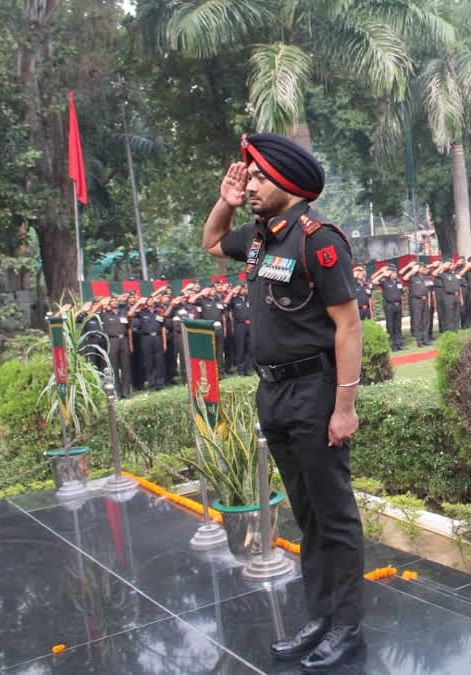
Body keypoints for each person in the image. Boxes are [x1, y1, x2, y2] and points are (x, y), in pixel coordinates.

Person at [202, 132, 365, 669]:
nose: (248, 185)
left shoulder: (318, 241)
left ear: (288, 185)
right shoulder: (259, 238)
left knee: (335, 515)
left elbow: (348, 326)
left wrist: (344, 407)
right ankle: (319, 617)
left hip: (316, 392)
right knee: (308, 515)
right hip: (273, 392)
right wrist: (223, 204)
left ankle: (346, 626)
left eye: (257, 178)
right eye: (248, 177)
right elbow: (209, 242)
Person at [128, 296, 165, 392]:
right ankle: (152, 384)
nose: (151, 301)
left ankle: (160, 383)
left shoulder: (158, 312)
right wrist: (138, 303)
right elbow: (130, 314)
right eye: (149, 300)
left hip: (157, 337)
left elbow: (163, 327)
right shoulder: (141, 313)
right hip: (146, 338)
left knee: (159, 361)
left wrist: (164, 343)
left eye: (152, 300)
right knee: (149, 361)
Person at [99, 297, 132, 398]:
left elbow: (128, 328)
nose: (115, 302)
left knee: (126, 367)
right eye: (113, 301)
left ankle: (126, 392)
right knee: (114, 367)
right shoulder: (105, 315)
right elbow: (93, 312)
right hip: (112, 341)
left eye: (116, 300)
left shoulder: (123, 313)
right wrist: (101, 303)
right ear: (109, 303)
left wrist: (130, 344)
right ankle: (117, 392)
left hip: (124, 340)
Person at [373, 265, 405, 350]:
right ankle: (392, 345)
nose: (395, 274)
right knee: (390, 325)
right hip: (389, 305)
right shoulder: (384, 281)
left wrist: (402, 306)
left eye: (395, 272)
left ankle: (399, 344)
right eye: (393, 273)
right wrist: (383, 274)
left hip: (398, 305)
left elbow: (401, 294)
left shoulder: (398, 281)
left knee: (398, 325)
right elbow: (374, 281)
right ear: (389, 273)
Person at [401, 261, 431, 347]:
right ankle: (419, 340)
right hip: (416, 300)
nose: (422, 269)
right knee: (418, 321)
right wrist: (413, 270)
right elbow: (405, 278)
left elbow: (428, 290)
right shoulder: (412, 277)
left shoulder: (425, 277)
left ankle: (426, 339)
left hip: (425, 300)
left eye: (422, 267)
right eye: (421, 267)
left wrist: (428, 302)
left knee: (426, 320)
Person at [229, 285, 253, 375]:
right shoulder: (234, 300)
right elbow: (225, 302)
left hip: (250, 325)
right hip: (240, 325)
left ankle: (249, 369)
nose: (244, 290)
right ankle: (241, 370)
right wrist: (232, 292)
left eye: (246, 288)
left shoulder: (249, 298)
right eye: (242, 288)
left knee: (249, 347)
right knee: (240, 348)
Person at [437, 259, 462, 333]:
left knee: (457, 314)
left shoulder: (455, 274)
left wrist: (460, 297)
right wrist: (443, 266)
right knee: (449, 314)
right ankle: (450, 330)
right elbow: (435, 273)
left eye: (452, 264)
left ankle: (456, 329)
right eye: (450, 264)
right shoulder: (444, 274)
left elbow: (459, 286)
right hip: (449, 296)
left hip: (456, 296)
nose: (452, 265)